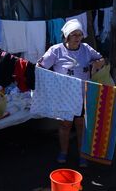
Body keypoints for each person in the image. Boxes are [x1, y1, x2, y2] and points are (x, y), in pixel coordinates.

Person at [37, 18, 105, 167]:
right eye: (74, 35)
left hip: (82, 94)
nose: (77, 38)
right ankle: (63, 152)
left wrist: (96, 63)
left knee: (81, 124)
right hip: (64, 96)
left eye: (80, 35)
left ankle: (82, 154)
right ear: (67, 35)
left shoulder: (86, 48)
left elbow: (101, 59)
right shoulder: (56, 50)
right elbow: (40, 67)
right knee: (65, 125)